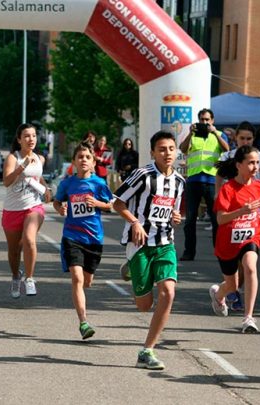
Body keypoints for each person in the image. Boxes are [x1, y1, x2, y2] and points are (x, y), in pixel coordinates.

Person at [113, 130, 185, 370]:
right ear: (152, 152)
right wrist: (134, 222)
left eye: (171, 149)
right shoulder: (142, 175)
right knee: (144, 306)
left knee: (168, 293)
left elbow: (173, 211)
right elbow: (118, 203)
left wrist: (176, 217)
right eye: (162, 149)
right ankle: (131, 268)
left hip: (165, 243)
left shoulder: (180, 182)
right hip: (140, 243)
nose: (167, 153)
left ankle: (147, 350)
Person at [209, 145, 260, 333]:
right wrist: (242, 211)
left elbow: (259, 202)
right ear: (239, 165)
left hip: (251, 236)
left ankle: (248, 317)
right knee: (232, 285)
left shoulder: (259, 185)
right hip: (227, 242)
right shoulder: (227, 189)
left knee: (250, 267)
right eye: (251, 163)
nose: (255, 167)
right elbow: (221, 219)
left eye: (257, 163)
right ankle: (218, 295)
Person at [53, 142, 113, 339]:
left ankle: (82, 297)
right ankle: (83, 322)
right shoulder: (67, 184)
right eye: (80, 157)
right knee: (77, 279)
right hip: (72, 236)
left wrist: (97, 203)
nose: (84, 160)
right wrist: (60, 208)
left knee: (87, 281)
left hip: (94, 238)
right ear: (74, 162)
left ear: (93, 162)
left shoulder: (99, 183)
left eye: (87, 157)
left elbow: (110, 205)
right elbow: (57, 201)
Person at [2, 123, 52, 298]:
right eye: (26, 136)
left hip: (33, 206)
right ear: (19, 139)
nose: (31, 139)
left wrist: (46, 189)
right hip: (12, 209)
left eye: (34, 136)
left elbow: (38, 177)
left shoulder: (40, 158)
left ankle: (29, 278)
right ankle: (16, 276)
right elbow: (6, 182)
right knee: (14, 250)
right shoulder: (12, 158)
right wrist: (21, 167)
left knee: (29, 239)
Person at [179, 108, 229, 261]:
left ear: (212, 121)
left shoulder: (220, 134)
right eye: (202, 119)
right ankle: (189, 252)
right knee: (190, 219)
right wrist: (190, 133)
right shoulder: (193, 135)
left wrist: (214, 133)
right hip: (194, 180)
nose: (204, 122)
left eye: (207, 119)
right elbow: (183, 149)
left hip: (212, 180)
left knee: (216, 219)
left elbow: (227, 149)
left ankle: (219, 251)